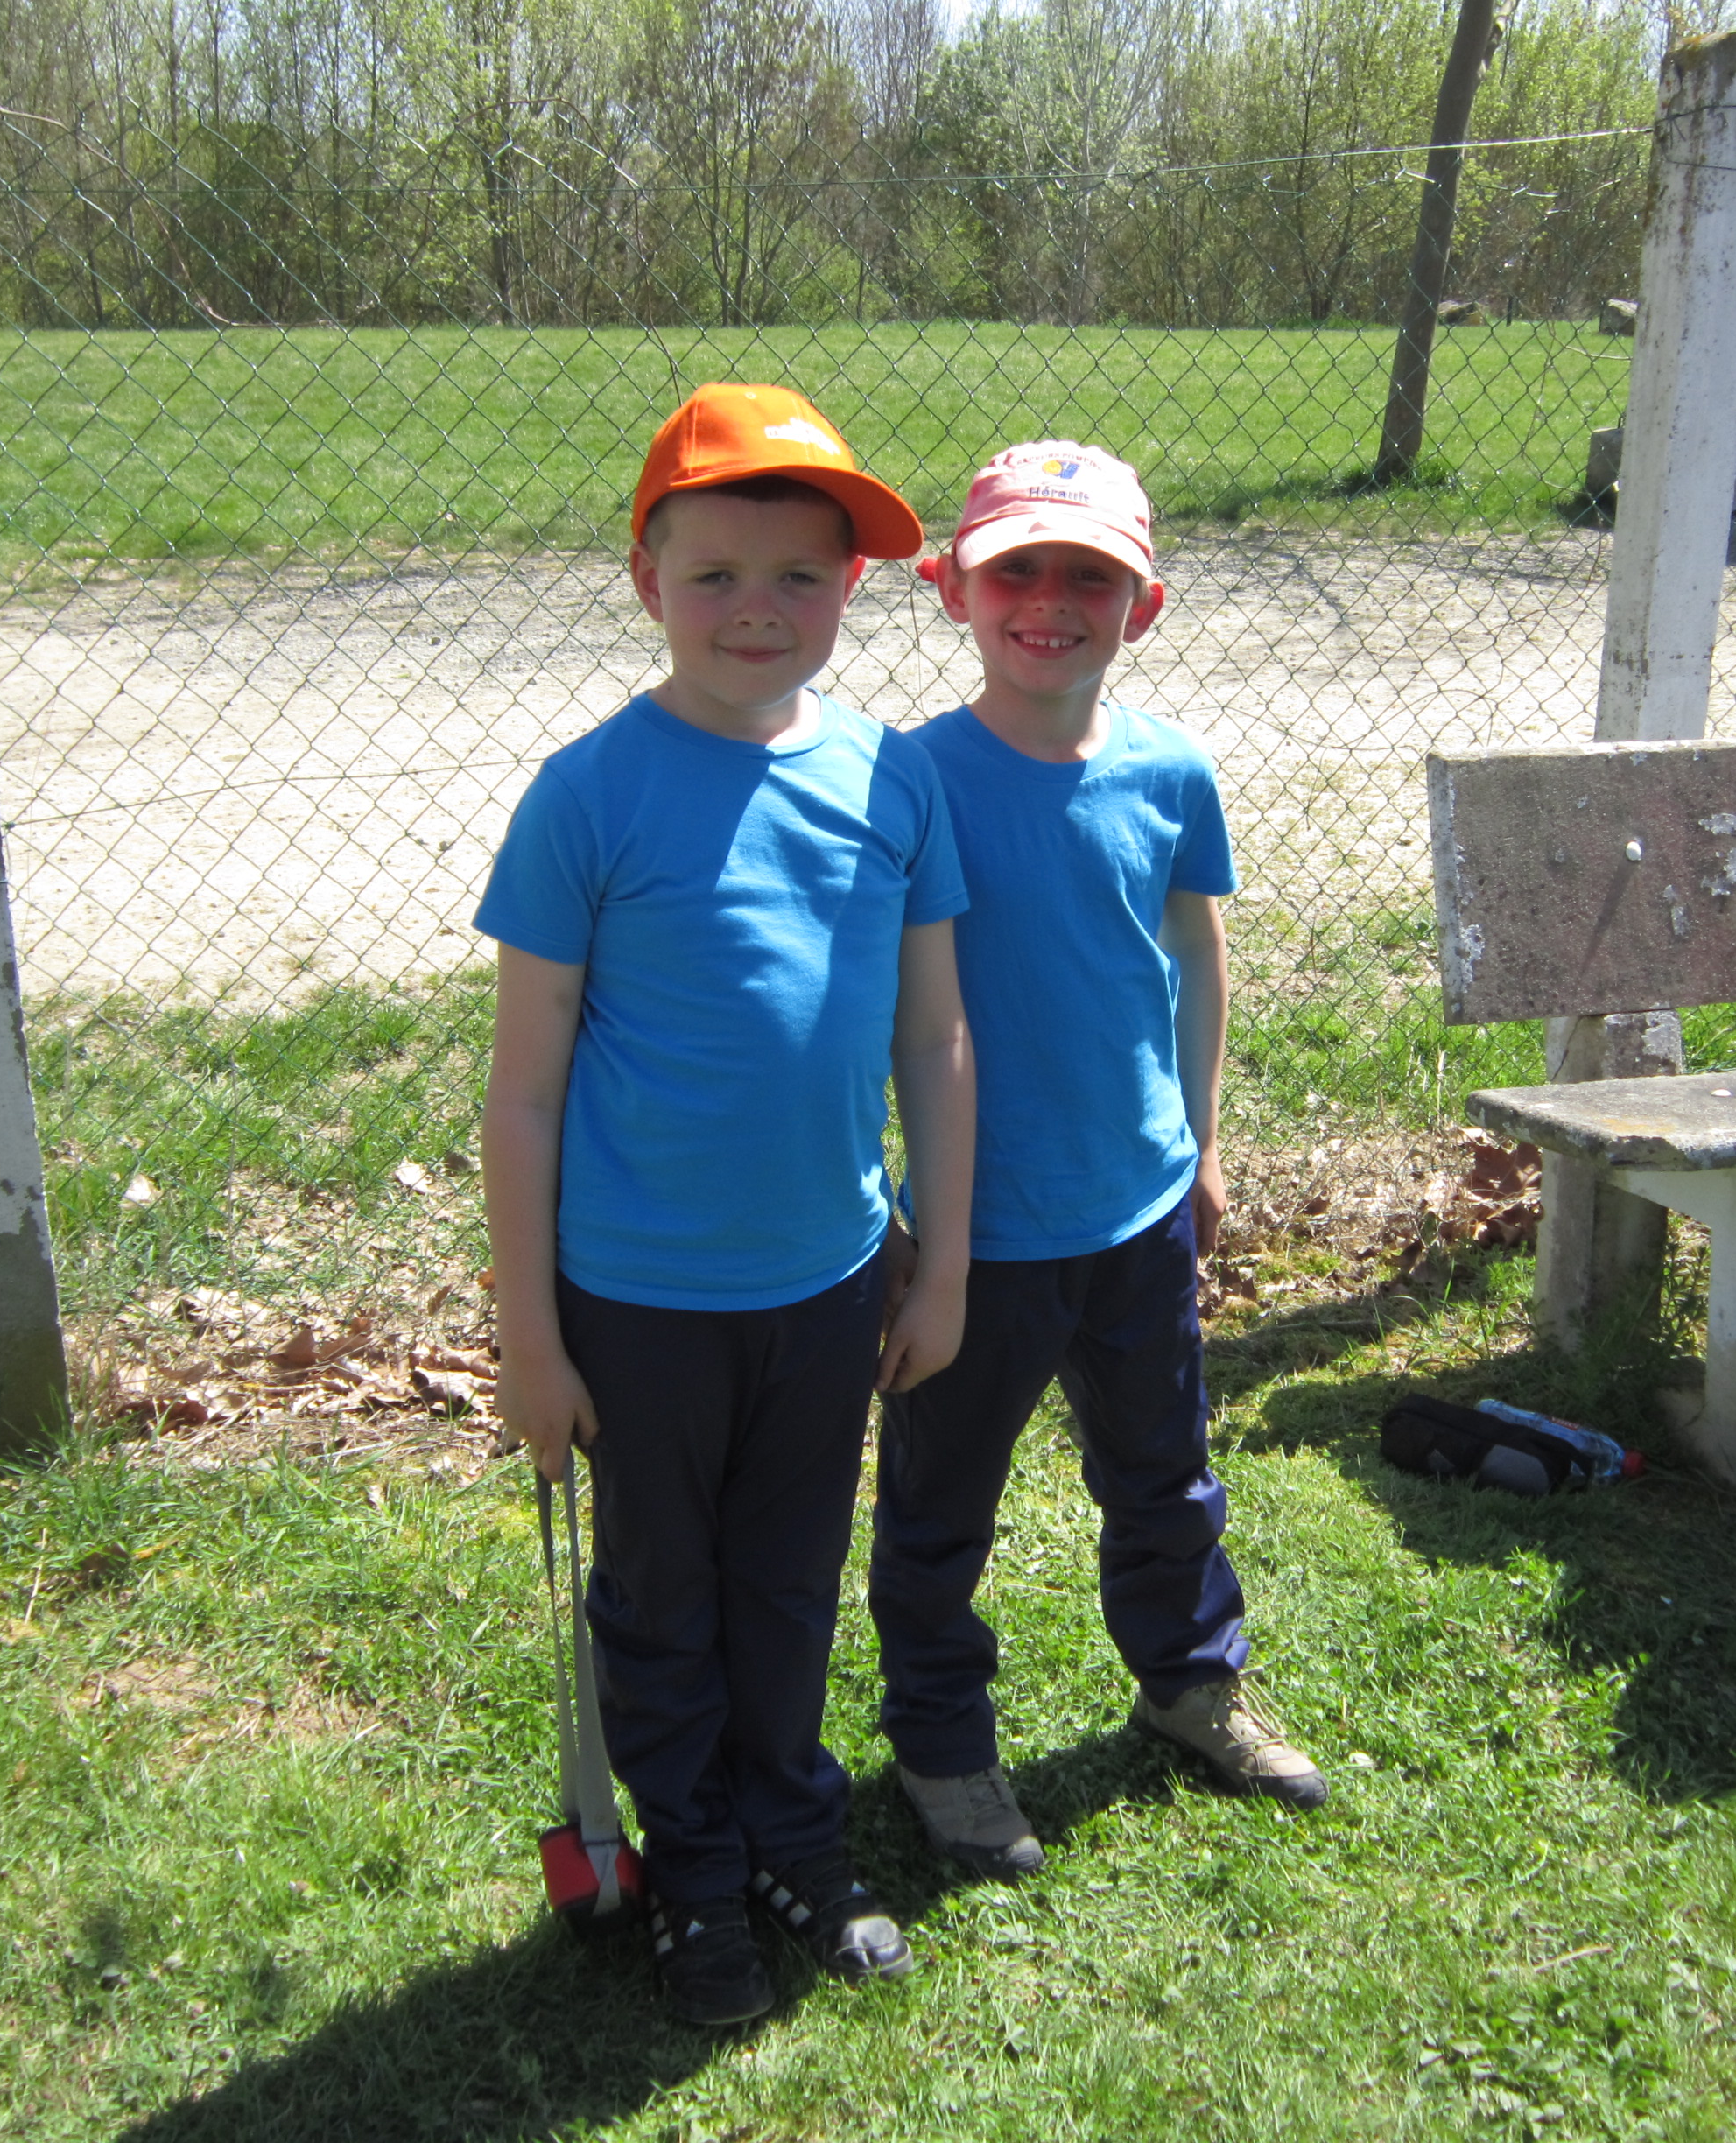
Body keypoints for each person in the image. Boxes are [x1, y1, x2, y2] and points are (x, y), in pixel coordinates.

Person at [477, 382, 976, 2024]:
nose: (758, 610)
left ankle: (790, 1837)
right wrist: (533, 1341)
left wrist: (941, 1268)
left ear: (851, 594)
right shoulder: (587, 796)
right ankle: (690, 1868)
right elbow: (528, 1085)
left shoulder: (894, 782)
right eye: (715, 575)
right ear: (646, 583)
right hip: (638, 1302)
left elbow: (932, 1033)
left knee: (785, 1578)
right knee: (661, 1597)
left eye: (800, 578)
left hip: (830, 1285)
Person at [866, 440, 1327, 1879]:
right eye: (1018, 570)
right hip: (973, 1233)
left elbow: (1191, 950)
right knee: (942, 1508)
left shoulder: (1171, 772)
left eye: (1090, 576)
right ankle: (942, 1747)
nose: (1050, 602)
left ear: (1150, 604)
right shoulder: (909, 779)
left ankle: (1192, 1685)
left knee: (1166, 1473)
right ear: (951, 589)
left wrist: (1196, 1148)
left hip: (1134, 1211)